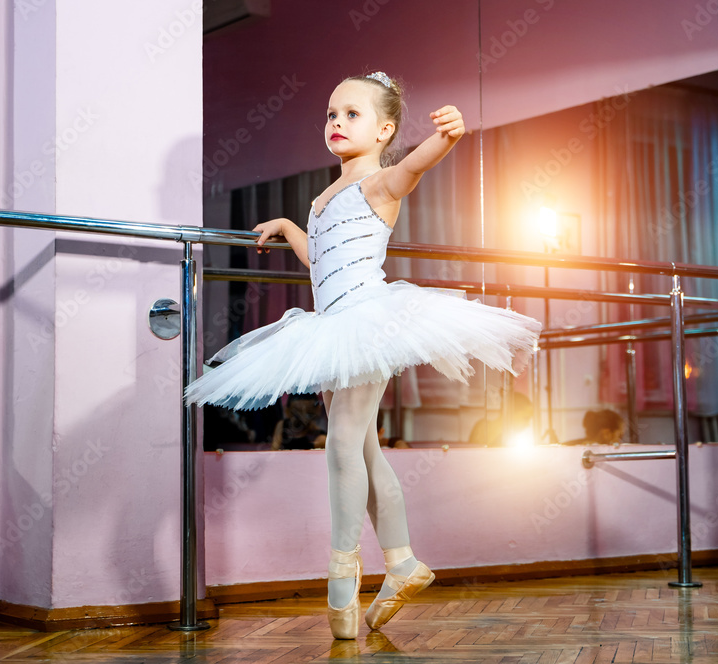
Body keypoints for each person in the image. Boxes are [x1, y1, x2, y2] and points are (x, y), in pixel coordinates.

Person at [185, 71, 541, 639]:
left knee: (345, 444)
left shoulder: (380, 183)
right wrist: (287, 226)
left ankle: (342, 574)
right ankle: (400, 562)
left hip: (369, 324)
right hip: (331, 327)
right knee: (367, 451)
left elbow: (412, 168)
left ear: (384, 130)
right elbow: (321, 260)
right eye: (331, 114)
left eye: (352, 115)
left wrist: (445, 137)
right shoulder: (325, 196)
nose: (336, 123)